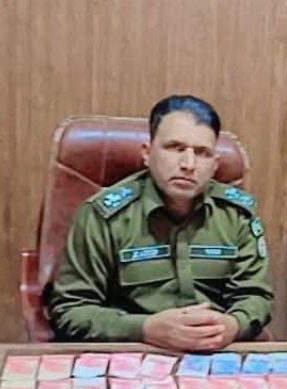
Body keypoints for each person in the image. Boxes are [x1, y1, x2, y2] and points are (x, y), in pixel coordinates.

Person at [47, 95, 274, 350]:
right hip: (134, 353)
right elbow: (70, 310)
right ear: (147, 153)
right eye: (175, 148)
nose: (188, 164)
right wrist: (144, 329)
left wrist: (233, 324)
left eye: (202, 153)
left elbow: (255, 296)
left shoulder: (237, 214)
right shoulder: (103, 216)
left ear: (214, 164)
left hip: (217, 352)